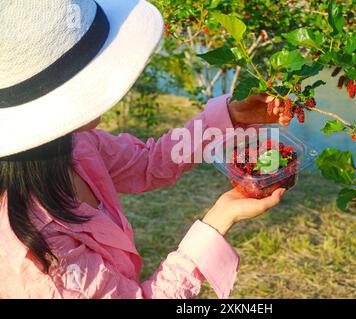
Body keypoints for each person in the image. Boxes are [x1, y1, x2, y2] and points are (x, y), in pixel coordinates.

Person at [0, 0, 292, 298]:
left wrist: (228, 117)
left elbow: (148, 162)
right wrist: (217, 221)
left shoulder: (74, 146)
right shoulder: (39, 254)